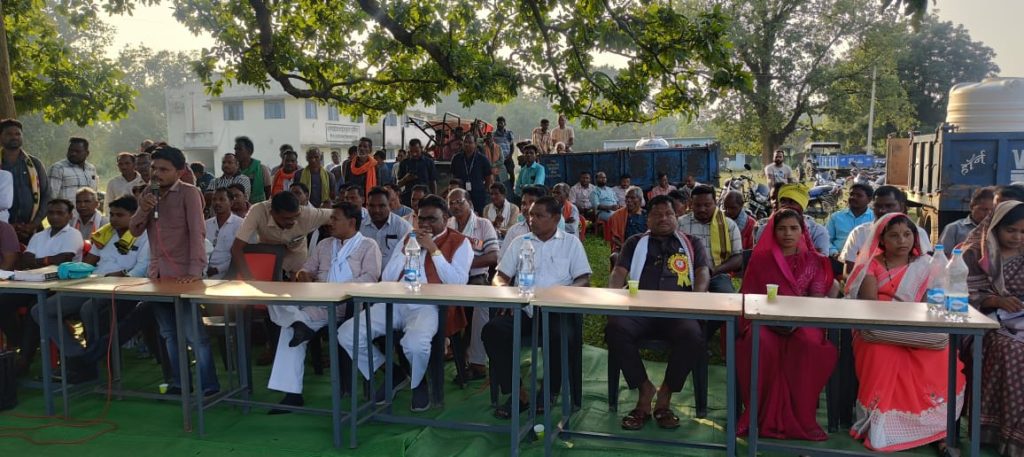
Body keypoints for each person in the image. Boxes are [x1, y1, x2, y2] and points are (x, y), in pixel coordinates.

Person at [338, 195, 472, 411]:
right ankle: (393, 373)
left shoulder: (460, 242)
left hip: (429, 306)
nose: (425, 224)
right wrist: (408, 248)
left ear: (446, 219)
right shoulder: (408, 238)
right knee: (347, 333)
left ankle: (418, 383)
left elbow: (457, 282)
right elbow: (388, 277)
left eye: (432, 219)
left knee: (414, 344)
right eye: (421, 219)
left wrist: (433, 249)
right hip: (396, 301)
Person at [844, 213, 964, 452]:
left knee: (943, 354)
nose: (902, 240)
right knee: (883, 355)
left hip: (916, 328)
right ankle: (885, 428)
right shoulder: (872, 264)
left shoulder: (927, 265)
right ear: (882, 239)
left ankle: (936, 430)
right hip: (877, 330)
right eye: (894, 235)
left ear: (915, 237)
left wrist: (911, 320)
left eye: (907, 234)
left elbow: (933, 304)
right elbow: (870, 307)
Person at [606, 195, 710, 430]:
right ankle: (645, 389)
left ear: (677, 217)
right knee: (615, 328)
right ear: (648, 219)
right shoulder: (635, 242)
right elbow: (619, 272)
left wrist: (697, 298)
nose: (663, 218)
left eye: (668, 214)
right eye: (657, 214)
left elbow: (703, 272)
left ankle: (665, 395)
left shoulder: (692, 242)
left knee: (693, 334)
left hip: (678, 312)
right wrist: (613, 296)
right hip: (639, 311)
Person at [268, 201, 382, 412]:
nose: (330, 223)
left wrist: (337, 290)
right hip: (318, 304)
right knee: (274, 300)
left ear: (352, 222)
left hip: (348, 306)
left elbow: (370, 278)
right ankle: (292, 393)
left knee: (289, 326)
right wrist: (303, 276)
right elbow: (306, 269)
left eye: (335, 219)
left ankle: (298, 325)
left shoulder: (368, 245)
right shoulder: (324, 244)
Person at [485, 196, 591, 418]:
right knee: (493, 331)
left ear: (556, 218)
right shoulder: (520, 242)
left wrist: (562, 295)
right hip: (524, 308)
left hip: (556, 310)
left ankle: (549, 391)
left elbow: (583, 279)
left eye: (539, 215)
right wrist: (506, 293)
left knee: (559, 334)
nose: (531, 219)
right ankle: (517, 393)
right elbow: (500, 276)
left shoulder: (571, 243)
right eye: (530, 215)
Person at [737, 209, 837, 440]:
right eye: (781, 229)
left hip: (804, 321)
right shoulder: (761, 260)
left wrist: (796, 321)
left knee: (809, 344)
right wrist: (770, 320)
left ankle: (801, 416)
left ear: (803, 232)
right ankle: (759, 414)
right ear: (773, 232)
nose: (788, 233)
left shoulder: (815, 260)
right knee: (759, 342)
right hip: (764, 321)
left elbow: (816, 299)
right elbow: (749, 297)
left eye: (793, 228)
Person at [129, 145, 220, 396]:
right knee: (169, 334)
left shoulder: (190, 193)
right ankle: (180, 384)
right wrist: (143, 208)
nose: (156, 174)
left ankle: (209, 386)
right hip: (158, 275)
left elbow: (197, 232)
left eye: (163, 169)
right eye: (154, 168)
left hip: (184, 276)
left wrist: (195, 271)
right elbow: (134, 230)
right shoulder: (148, 192)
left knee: (194, 335)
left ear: (179, 172)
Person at [30, 195, 149, 370]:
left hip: (123, 288)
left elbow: (141, 269)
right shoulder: (106, 233)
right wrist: (73, 271)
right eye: (112, 214)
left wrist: (120, 276)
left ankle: (95, 360)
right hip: (93, 283)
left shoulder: (145, 236)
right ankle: (78, 355)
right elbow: (88, 263)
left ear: (134, 215)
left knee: (88, 309)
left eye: (120, 215)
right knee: (41, 310)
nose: (114, 219)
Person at [962, 201, 1024, 457]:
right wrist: (996, 301)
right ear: (995, 227)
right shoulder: (974, 254)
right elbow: (961, 294)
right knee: (1013, 351)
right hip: (984, 323)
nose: (1017, 237)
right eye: (1011, 230)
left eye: (1023, 232)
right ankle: (1001, 431)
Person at [447, 189, 500, 382]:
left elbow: (493, 256)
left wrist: (465, 265)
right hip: (451, 278)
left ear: (469, 203)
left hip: (475, 277)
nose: (455, 206)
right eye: (451, 203)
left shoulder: (483, 224)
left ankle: (477, 363)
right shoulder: (448, 225)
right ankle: (449, 350)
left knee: (480, 306)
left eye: (459, 202)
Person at [231, 190, 332, 278]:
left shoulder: (308, 214)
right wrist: (249, 279)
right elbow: (236, 247)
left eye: (296, 216)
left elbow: (337, 214)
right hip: (269, 257)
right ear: (272, 213)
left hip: (296, 260)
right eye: (287, 218)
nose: (292, 221)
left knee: (297, 290)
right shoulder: (257, 211)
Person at [840, 186, 931, 276]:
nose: (882, 210)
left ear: (901, 207)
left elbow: (925, 268)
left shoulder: (918, 233)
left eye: (889, 206)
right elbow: (848, 273)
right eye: (878, 206)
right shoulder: (859, 233)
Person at [677, 185, 742, 292]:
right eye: (697, 205)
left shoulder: (728, 225)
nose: (702, 209)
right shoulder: (680, 224)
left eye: (707, 205)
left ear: (715, 203)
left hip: (717, 275)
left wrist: (714, 271)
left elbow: (738, 257)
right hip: (685, 275)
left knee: (726, 298)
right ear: (691, 204)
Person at [0, 119, 50, 243]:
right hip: (2, 228)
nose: (14, 137)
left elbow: (46, 195)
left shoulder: (34, 164)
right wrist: (8, 227)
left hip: (32, 230)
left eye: (18, 134)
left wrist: (33, 224)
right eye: (9, 134)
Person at [754, 183, 831, 256]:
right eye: (783, 201)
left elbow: (821, 260)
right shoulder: (764, 229)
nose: (786, 205)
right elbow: (760, 258)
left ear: (802, 206)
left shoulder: (817, 232)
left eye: (792, 202)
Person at [21, 198, 83, 267]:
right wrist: (47, 261)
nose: (54, 217)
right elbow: (26, 260)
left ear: (70, 216)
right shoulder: (38, 236)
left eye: (60, 213)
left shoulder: (74, 234)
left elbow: (62, 260)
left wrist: (35, 262)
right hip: (34, 273)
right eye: (51, 213)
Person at [360, 186, 412, 264]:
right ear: (367, 206)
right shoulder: (360, 227)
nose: (376, 210)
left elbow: (411, 257)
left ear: (389, 206)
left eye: (381, 206)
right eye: (372, 206)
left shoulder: (403, 227)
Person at [825, 183, 874, 259]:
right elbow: (826, 239)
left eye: (859, 195)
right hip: (837, 259)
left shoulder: (874, 218)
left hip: (865, 261)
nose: (853, 197)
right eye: (851, 194)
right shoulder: (836, 217)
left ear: (869, 199)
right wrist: (834, 253)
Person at [205, 188, 243, 279]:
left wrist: (217, 269)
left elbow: (240, 254)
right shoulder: (206, 224)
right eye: (214, 200)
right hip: (204, 272)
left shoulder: (240, 224)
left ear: (231, 203)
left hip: (229, 274)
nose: (217, 203)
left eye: (222, 199)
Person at [450, 133, 493, 213]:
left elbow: (488, 177)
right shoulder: (456, 158)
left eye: (470, 142)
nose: (467, 144)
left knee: (478, 214)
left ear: (475, 144)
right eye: (465, 142)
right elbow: (453, 175)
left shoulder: (482, 159)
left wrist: (484, 189)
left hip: (478, 194)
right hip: (461, 194)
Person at [500, 185, 545, 259]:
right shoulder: (514, 231)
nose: (526, 207)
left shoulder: (549, 231)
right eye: (523, 203)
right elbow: (502, 258)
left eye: (531, 203)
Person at [49, 137, 98, 201]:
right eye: (70, 150)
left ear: (87, 153)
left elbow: (94, 194)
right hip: (67, 208)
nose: (73, 153)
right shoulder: (58, 168)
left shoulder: (91, 169)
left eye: (77, 151)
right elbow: (51, 197)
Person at [605, 186, 646, 253]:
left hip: (644, 248)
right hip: (624, 248)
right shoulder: (617, 215)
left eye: (632, 198)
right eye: (627, 197)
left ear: (640, 200)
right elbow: (614, 237)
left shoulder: (646, 215)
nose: (628, 200)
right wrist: (625, 247)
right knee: (614, 256)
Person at [397, 139, 437, 203]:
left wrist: (434, 198)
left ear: (421, 148)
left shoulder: (429, 162)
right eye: (411, 151)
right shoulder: (404, 163)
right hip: (408, 198)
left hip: (425, 198)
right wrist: (406, 179)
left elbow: (433, 182)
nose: (414, 154)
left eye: (416, 151)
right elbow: (398, 184)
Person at [233, 136, 271, 203]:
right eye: (235, 149)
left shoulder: (262, 169)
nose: (236, 152)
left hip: (259, 206)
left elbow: (268, 192)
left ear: (250, 151)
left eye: (239, 149)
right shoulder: (233, 171)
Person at [493, 116, 516, 187]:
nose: (499, 125)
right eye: (498, 123)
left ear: (505, 124)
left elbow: (512, 146)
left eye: (501, 123)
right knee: (499, 175)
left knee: (511, 173)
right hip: (498, 159)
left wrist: (510, 155)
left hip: (508, 157)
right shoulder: (493, 135)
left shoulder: (509, 134)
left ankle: (511, 188)